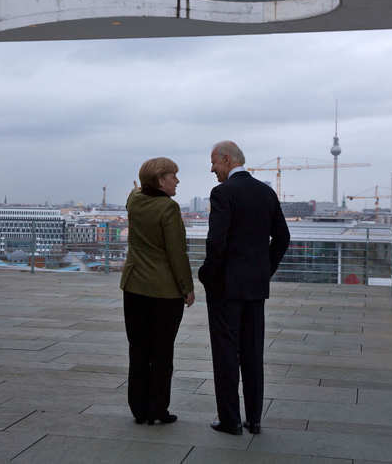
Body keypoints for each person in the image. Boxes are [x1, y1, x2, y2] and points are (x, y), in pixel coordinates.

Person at [199, 141, 290, 435]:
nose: (212, 168)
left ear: (227, 159)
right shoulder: (266, 192)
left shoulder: (222, 193)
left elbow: (216, 242)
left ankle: (230, 420)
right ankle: (254, 419)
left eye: (214, 162)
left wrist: (208, 276)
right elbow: (283, 237)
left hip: (226, 289)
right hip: (255, 287)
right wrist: (265, 270)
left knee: (226, 353)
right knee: (253, 353)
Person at [120, 157, 195, 425]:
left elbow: (136, 190)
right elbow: (177, 253)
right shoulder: (169, 209)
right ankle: (157, 409)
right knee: (162, 352)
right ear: (160, 180)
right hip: (164, 292)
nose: (177, 180)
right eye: (173, 176)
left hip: (133, 287)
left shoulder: (134, 201)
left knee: (138, 348)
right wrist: (187, 287)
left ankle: (139, 408)